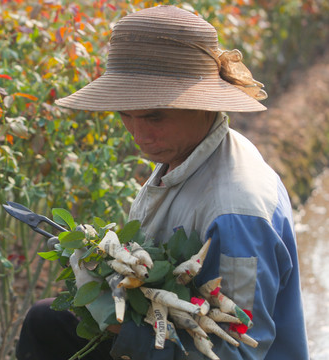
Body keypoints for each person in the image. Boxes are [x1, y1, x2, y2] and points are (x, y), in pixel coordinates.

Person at [16, 5, 309, 360]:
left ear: (202, 106)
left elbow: (236, 353)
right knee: (46, 322)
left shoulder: (235, 215)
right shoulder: (188, 153)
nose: (139, 134)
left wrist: (120, 328)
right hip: (171, 339)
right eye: (126, 114)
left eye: (154, 116)